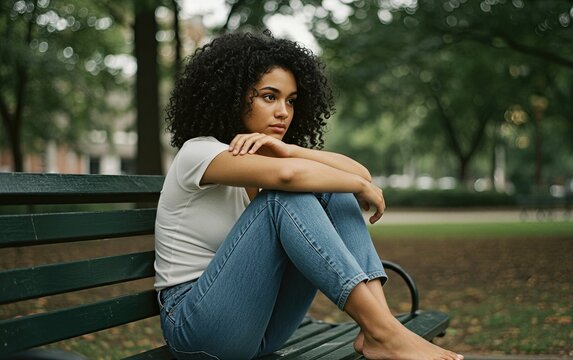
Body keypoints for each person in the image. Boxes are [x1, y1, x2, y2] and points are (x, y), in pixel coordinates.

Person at [154, 30, 463, 360]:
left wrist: (288, 150)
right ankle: (384, 332)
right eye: (269, 97)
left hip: (260, 329)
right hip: (195, 327)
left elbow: (360, 175)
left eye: (290, 100)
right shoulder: (198, 153)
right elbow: (310, 179)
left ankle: (378, 329)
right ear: (230, 95)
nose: (283, 112)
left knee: (330, 189)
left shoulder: (267, 161)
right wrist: (353, 184)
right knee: (284, 197)